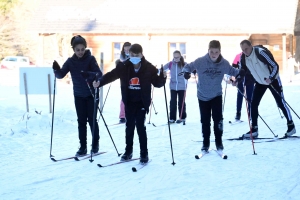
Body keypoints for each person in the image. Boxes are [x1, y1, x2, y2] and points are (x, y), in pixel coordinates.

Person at [93, 43, 166, 163]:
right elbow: (111, 75)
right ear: (129, 54)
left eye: (136, 54)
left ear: (141, 55)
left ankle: (144, 153)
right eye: (132, 54)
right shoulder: (124, 66)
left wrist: (163, 78)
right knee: (129, 127)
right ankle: (128, 151)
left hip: (142, 102)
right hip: (129, 101)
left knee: (140, 127)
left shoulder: (149, 68)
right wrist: (100, 82)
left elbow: (157, 83)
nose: (134, 57)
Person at [183, 40, 240, 152]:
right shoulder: (200, 61)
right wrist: (186, 72)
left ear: (220, 52)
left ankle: (219, 142)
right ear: (208, 51)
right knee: (205, 120)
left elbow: (233, 71)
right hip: (202, 96)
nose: (214, 54)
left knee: (218, 120)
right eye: (211, 52)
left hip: (216, 95)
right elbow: (188, 66)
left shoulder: (224, 64)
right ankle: (206, 142)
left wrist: (240, 74)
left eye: (216, 52)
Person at [52, 35, 102, 156]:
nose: (80, 52)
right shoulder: (70, 61)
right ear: (73, 50)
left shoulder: (90, 59)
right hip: (79, 95)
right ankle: (83, 146)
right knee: (81, 122)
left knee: (92, 120)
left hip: (91, 94)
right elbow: (61, 75)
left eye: (82, 49)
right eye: (77, 50)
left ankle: (95, 144)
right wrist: (56, 70)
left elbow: (98, 74)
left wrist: (88, 75)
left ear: (85, 48)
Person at [239, 40, 296, 138]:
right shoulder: (243, 58)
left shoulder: (260, 52)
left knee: (280, 103)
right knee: (253, 104)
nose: (245, 51)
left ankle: (291, 126)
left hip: (272, 80)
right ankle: (254, 129)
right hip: (260, 82)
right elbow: (243, 71)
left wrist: (271, 77)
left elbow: (275, 65)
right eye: (243, 50)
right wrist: (237, 80)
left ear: (251, 46)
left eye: (246, 49)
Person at [163, 50, 187, 123]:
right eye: (175, 57)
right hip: (173, 86)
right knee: (173, 102)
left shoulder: (184, 64)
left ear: (180, 56)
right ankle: (172, 118)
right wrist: (157, 71)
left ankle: (182, 117)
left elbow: (190, 69)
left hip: (182, 86)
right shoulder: (170, 64)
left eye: (177, 57)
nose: (176, 59)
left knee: (181, 102)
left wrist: (193, 72)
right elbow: (162, 69)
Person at [231, 53, 255, 121]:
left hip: (250, 79)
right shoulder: (238, 56)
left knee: (249, 97)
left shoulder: (252, 55)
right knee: (240, 95)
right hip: (240, 79)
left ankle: (251, 114)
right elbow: (233, 67)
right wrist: (232, 79)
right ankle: (238, 113)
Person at [118, 42, 131, 124]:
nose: (126, 51)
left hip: (133, 79)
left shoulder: (134, 56)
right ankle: (122, 116)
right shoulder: (122, 57)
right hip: (124, 79)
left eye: (128, 49)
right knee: (124, 97)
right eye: (125, 49)